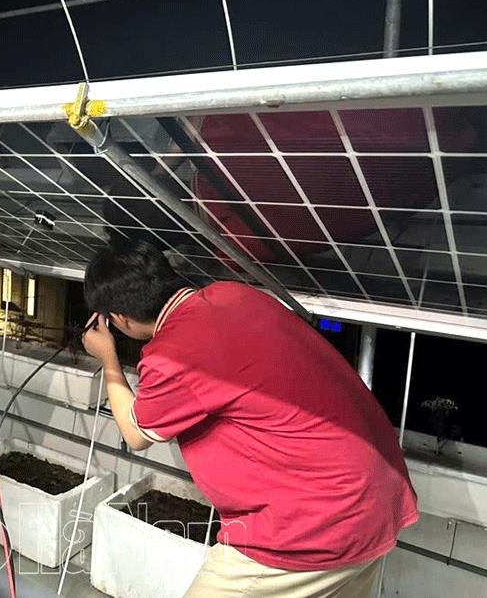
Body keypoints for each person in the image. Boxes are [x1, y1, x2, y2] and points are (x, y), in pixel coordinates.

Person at [81, 238, 418, 598]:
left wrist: (108, 359)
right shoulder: (234, 294)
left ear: (120, 318)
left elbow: (136, 433)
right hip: (376, 497)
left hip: (313, 523)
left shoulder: (173, 355)